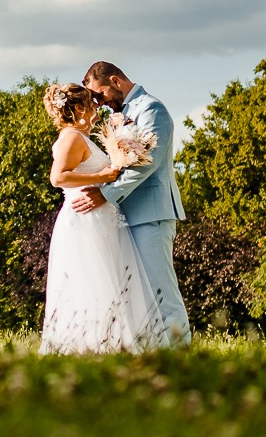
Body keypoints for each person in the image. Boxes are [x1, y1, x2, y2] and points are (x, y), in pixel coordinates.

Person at [70, 61, 192, 345]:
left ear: (115, 80)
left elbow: (146, 164)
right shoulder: (120, 114)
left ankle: (183, 355)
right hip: (126, 216)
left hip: (151, 214)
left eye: (100, 94)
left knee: (161, 291)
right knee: (140, 295)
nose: (99, 103)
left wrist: (105, 194)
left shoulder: (151, 109)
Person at [37, 82, 164, 354]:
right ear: (79, 108)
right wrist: (102, 177)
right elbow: (58, 177)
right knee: (93, 283)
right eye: (91, 103)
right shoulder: (71, 137)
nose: (97, 107)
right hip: (84, 221)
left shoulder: (81, 137)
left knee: (114, 282)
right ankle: (93, 349)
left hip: (101, 219)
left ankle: (117, 348)